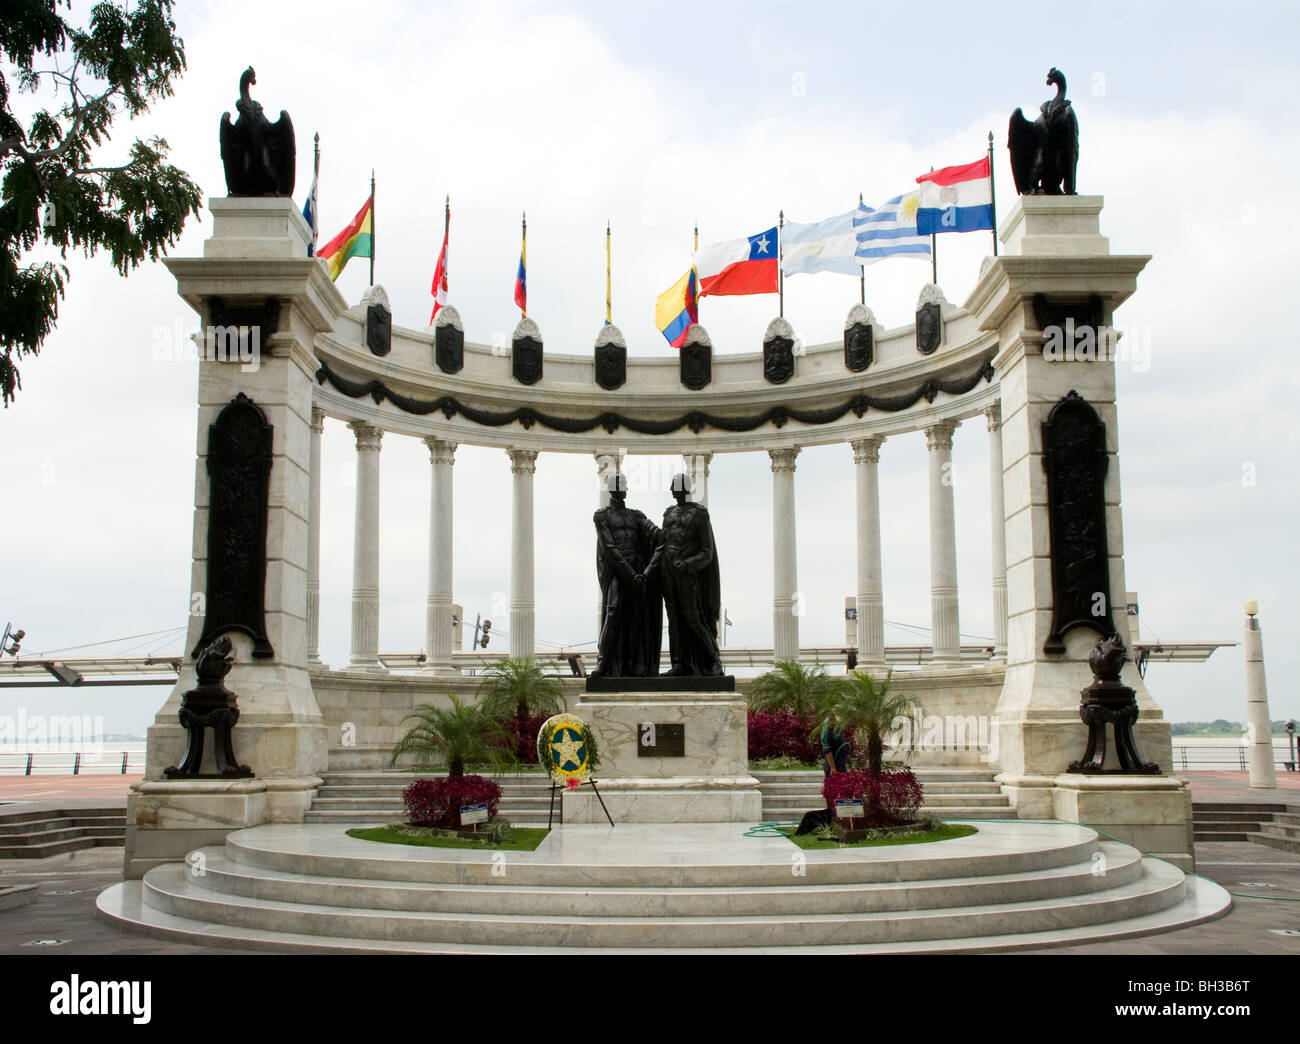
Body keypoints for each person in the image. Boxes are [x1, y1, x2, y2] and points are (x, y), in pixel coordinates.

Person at [590, 473, 663, 678]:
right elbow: (609, 548)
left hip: (638, 570)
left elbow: (656, 535)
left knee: (635, 618)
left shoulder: (636, 515)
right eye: (619, 485)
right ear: (611, 489)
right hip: (618, 571)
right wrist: (630, 574)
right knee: (613, 612)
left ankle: (631, 664)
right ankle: (603, 662)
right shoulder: (601, 515)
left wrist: (672, 527)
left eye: (624, 485)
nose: (623, 489)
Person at [650, 473, 723, 677]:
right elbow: (662, 544)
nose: (671, 490)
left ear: (684, 488)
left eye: (674, 486)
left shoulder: (700, 514)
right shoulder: (668, 513)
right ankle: (680, 664)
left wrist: (687, 564)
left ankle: (713, 661)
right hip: (667, 572)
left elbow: (706, 552)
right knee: (674, 620)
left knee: (693, 618)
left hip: (686, 575)